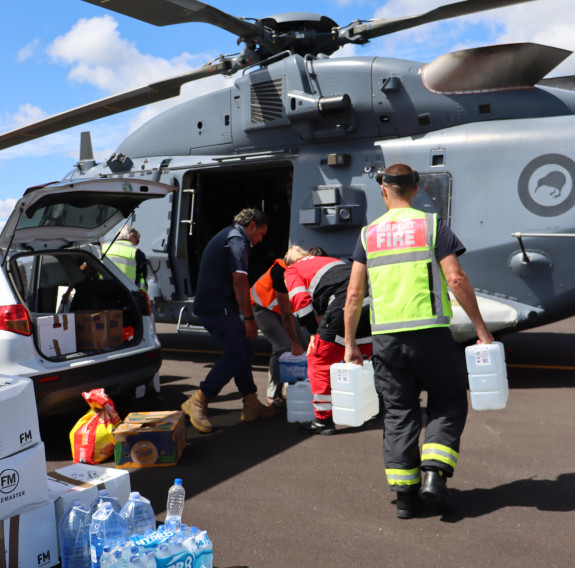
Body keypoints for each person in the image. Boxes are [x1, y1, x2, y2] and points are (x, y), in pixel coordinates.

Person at [344, 163, 493, 519]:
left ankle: (406, 499)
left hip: (387, 341)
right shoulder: (432, 225)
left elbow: (353, 294)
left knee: (399, 413)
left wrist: (350, 344)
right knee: (449, 400)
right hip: (430, 335)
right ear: (415, 189)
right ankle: (434, 477)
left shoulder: (368, 235)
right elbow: (455, 279)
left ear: (383, 191)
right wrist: (481, 330)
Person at [181, 208, 276, 433]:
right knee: (236, 353)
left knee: (243, 349)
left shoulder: (230, 236)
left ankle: (251, 402)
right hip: (216, 307)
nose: (260, 240)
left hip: (219, 306)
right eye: (261, 233)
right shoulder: (237, 240)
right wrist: (250, 319)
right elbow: (239, 282)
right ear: (251, 225)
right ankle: (199, 400)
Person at [284, 245, 372, 435]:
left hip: (344, 306)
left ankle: (323, 420)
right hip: (369, 308)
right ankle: (368, 410)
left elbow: (300, 302)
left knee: (319, 359)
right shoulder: (332, 260)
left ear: (290, 262)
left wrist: (313, 333)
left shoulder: (292, 270)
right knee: (362, 361)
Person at [250, 258, 308, 407]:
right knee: (283, 346)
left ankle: (295, 389)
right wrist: (294, 343)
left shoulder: (303, 272)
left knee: (304, 344)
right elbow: (285, 312)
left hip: (277, 308)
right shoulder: (280, 273)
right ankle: (272, 394)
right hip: (262, 307)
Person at [103, 225, 148, 290]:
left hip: (104, 291)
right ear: (131, 235)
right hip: (126, 294)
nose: (137, 244)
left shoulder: (103, 248)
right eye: (137, 241)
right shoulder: (137, 252)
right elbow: (142, 278)